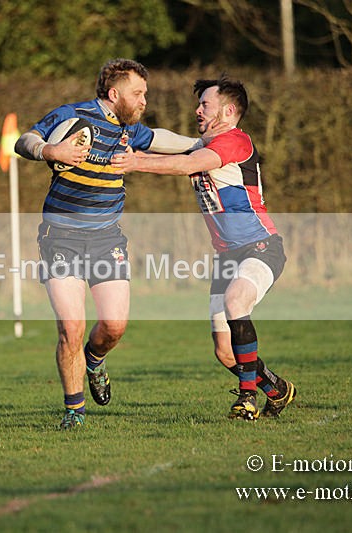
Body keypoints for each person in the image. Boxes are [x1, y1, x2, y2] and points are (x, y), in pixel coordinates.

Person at [15, 58, 221, 429]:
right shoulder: (72, 115)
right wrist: (51, 151)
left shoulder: (130, 130)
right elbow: (24, 139)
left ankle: (94, 360)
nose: (143, 100)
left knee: (114, 326)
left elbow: (159, 138)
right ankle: (74, 412)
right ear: (114, 94)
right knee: (71, 329)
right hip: (59, 238)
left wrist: (203, 143)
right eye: (138, 93)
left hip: (106, 239)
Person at [112, 74, 296, 420]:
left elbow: (187, 165)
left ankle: (246, 400)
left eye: (204, 105)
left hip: (261, 247)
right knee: (226, 353)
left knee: (235, 301)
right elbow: (168, 141)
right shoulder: (205, 144)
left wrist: (136, 162)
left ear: (228, 111)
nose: (197, 110)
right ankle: (276, 390)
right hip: (227, 257)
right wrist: (126, 133)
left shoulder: (235, 141)